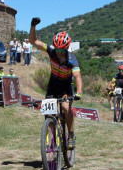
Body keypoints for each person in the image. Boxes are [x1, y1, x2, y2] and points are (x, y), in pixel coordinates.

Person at [29, 17, 82, 149]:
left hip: (65, 87)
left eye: (61, 50)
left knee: (65, 108)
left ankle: (70, 135)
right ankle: (51, 133)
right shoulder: (51, 50)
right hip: (53, 84)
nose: (58, 52)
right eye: (57, 50)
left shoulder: (72, 60)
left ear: (66, 48)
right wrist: (33, 27)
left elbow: (77, 76)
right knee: (48, 112)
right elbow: (34, 41)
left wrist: (79, 92)